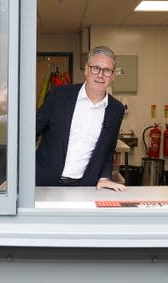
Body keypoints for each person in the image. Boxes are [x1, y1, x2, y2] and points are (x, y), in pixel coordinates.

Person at [36, 45, 126, 191]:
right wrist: (18, 173)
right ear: (86, 69)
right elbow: (31, 133)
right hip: (43, 182)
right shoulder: (59, 96)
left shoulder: (116, 110)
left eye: (107, 70)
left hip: (84, 187)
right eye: (95, 68)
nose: (100, 75)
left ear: (113, 75)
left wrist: (104, 177)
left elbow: (109, 149)